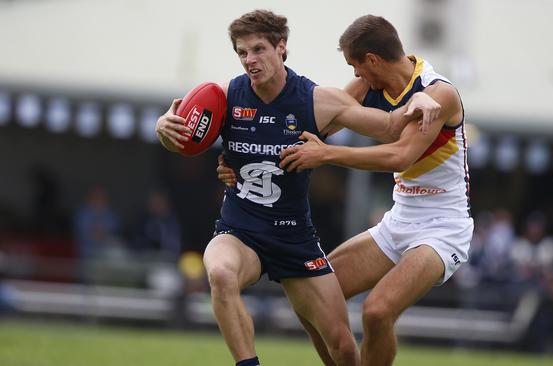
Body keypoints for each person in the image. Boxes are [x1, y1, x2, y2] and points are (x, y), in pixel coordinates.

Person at [155, 10, 439, 366]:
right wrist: (164, 128)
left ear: (281, 47)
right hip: (241, 230)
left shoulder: (315, 101)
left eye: (258, 49)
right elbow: (181, 136)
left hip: (294, 239)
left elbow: (390, 127)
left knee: (343, 347)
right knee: (221, 273)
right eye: (242, 53)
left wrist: (422, 97)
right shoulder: (225, 96)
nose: (250, 60)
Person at [219, 14, 473, 366]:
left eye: (354, 67)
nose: (353, 76)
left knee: (376, 311)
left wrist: (325, 156)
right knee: (316, 299)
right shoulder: (371, 84)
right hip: (399, 219)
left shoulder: (438, 93)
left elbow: (398, 153)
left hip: (443, 227)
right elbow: (314, 125)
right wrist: (238, 162)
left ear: (372, 61)